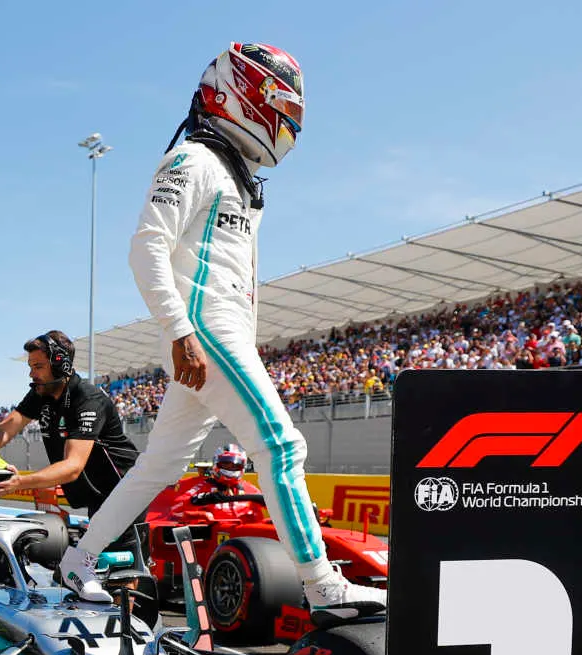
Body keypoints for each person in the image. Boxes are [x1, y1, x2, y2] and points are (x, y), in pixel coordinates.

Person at [55, 43, 383, 609]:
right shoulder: (193, 161)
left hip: (209, 332)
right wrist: (181, 330)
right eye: (283, 108)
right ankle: (322, 586)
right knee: (281, 447)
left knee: (161, 464)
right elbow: (145, 249)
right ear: (243, 94)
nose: (289, 126)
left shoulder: (234, 175)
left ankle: (75, 563)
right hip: (206, 331)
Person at [0, 331, 141, 553]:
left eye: (38, 367)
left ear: (60, 366)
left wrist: (17, 483)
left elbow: (72, 467)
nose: (31, 374)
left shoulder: (88, 399)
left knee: (117, 568)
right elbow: (6, 428)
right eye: (30, 366)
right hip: (98, 494)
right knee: (90, 563)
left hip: (124, 490)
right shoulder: (41, 393)